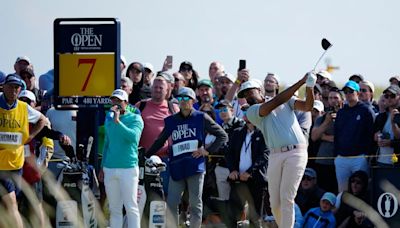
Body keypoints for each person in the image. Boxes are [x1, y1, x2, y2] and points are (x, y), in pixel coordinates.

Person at [242, 70, 316, 228]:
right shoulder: (252, 111)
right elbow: (274, 103)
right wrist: (301, 81)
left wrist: (309, 86)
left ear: (260, 89)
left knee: (286, 197)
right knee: (274, 202)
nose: (247, 96)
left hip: (296, 152)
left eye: (250, 91)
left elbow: (308, 106)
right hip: (275, 155)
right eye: (244, 94)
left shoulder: (285, 99)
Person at [146, 87, 227, 228]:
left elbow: (222, 135)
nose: (183, 101)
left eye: (186, 98)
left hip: (195, 166)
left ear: (193, 101)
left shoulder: (201, 117)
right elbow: (160, 140)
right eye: (180, 99)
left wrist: (207, 150)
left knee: (195, 203)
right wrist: (146, 155)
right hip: (177, 167)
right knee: (171, 202)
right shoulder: (171, 121)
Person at [0, 74, 46, 228]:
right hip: (1, 165)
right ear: (3, 87)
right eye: (10, 86)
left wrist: (31, 136)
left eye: (16, 87)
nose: (13, 90)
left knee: (11, 205)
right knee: (11, 205)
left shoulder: (23, 107)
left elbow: (42, 120)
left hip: (15, 164)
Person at [98, 89, 144, 228]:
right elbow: (107, 144)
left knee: (131, 207)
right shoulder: (109, 119)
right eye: (113, 100)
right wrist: (102, 166)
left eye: (119, 101)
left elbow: (133, 138)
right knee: (114, 209)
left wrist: (118, 122)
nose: (116, 103)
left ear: (126, 103)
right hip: (110, 168)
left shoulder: (135, 118)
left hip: (128, 168)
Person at [135, 73, 179, 194]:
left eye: (161, 88)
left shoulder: (174, 108)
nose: (158, 90)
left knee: (164, 193)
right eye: (155, 87)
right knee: (142, 193)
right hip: (145, 158)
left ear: (167, 90)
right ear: (151, 88)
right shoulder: (141, 105)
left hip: (165, 159)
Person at [226, 106, 268, 227]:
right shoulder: (237, 132)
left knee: (255, 217)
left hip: (255, 179)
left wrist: (250, 172)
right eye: (245, 112)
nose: (246, 114)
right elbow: (229, 153)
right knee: (232, 215)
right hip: (238, 178)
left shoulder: (263, 132)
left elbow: (265, 155)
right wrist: (232, 169)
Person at [334, 81, 375, 192]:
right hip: (342, 158)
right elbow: (337, 134)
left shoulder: (366, 110)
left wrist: (367, 155)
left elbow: (371, 133)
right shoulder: (341, 112)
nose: (347, 94)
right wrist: (337, 155)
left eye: (350, 91)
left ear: (357, 93)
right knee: (342, 192)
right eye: (346, 92)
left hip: (359, 158)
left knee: (362, 190)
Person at [311, 87, 344, 194]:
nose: (333, 100)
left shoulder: (346, 116)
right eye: (330, 98)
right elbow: (314, 136)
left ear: (341, 100)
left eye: (336, 98)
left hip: (341, 160)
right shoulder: (322, 118)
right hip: (323, 161)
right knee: (323, 192)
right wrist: (326, 122)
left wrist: (325, 137)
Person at [373, 85, 400, 166]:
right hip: (381, 161)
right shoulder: (381, 116)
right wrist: (377, 137)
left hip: (397, 163)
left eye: (392, 96)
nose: (389, 98)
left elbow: (398, 136)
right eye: (386, 96)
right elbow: (374, 137)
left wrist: (391, 143)